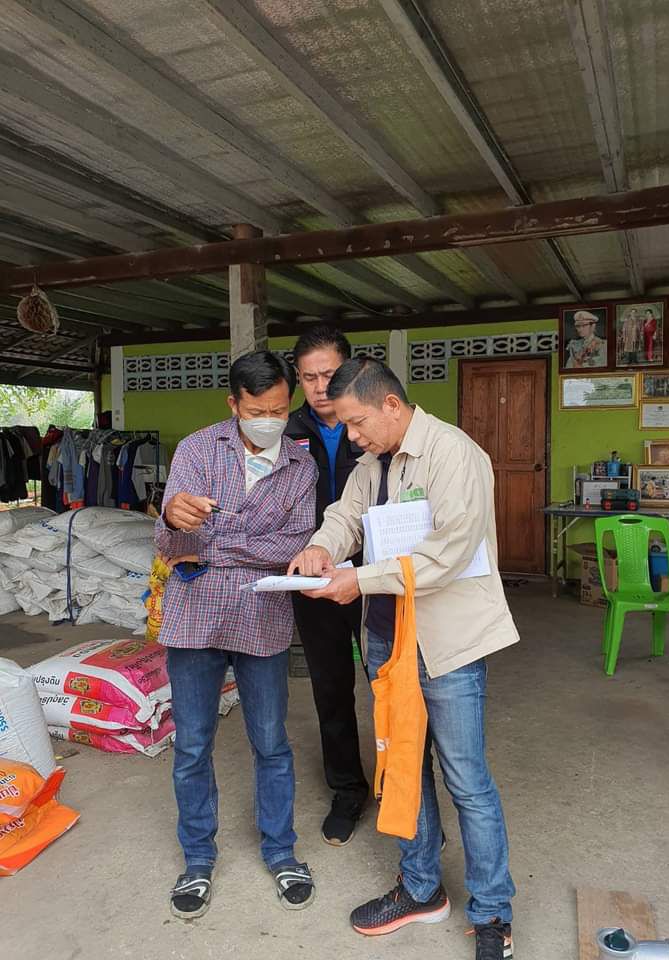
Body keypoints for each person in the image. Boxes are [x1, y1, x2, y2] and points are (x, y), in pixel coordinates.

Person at [289, 358, 520, 960]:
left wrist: (359, 579)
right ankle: (420, 888)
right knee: (402, 768)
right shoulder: (373, 463)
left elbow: (449, 552)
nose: (352, 437)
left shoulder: (454, 454)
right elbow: (345, 516)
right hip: (388, 640)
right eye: (345, 425)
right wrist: (320, 547)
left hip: (447, 644)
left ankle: (493, 911)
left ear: (391, 405)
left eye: (357, 423)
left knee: (466, 779)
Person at [155, 350, 319, 920]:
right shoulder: (196, 450)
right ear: (234, 404)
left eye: (278, 409)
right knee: (192, 746)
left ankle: (281, 851)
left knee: (270, 742)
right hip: (195, 618)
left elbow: (295, 545)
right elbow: (173, 546)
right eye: (256, 410)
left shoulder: (301, 467)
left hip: (262, 620)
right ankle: (198, 858)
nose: (269, 420)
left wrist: (216, 546)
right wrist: (172, 519)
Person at [284, 325, 369, 845]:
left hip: (375, 574)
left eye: (329, 375)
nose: (320, 387)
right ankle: (347, 789)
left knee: (392, 684)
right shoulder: (286, 430)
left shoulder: (372, 422)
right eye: (309, 377)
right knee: (331, 686)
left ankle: (403, 782)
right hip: (313, 576)